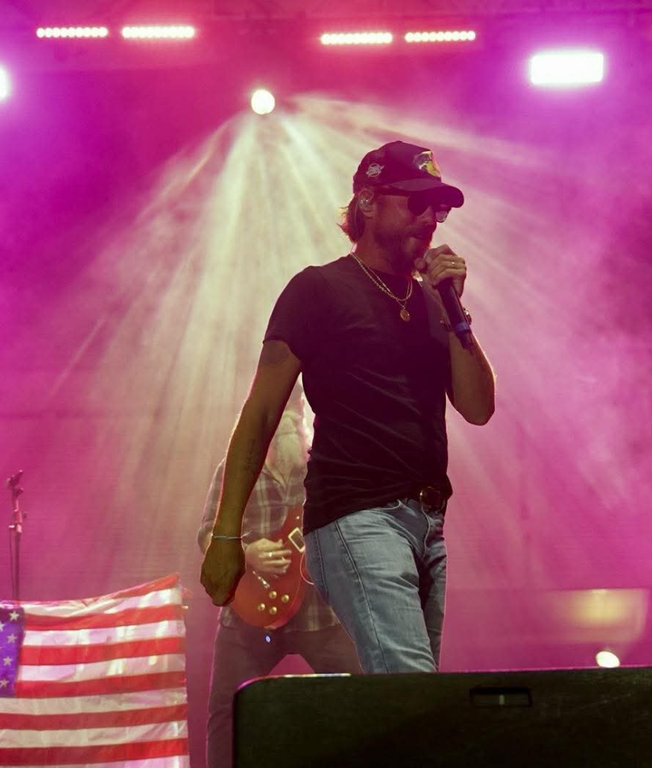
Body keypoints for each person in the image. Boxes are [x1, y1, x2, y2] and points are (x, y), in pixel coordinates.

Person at [200, 139, 494, 674]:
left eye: (439, 207)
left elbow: (478, 408)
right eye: (417, 202)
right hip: (356, 516)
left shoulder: (433, 302)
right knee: (410, 682)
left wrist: (457, 312)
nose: (431, 218)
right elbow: (260, 414)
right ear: (367, 202)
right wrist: (225, 536)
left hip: (428, 523)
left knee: (411, 695)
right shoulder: (317, 290)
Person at [197, 389, 361, 768]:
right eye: (278, 419)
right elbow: (206, 535)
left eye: (293, 417)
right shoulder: (232, 469)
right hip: (248, 614)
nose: (287, 426)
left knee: (365, 695)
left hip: (319, 613)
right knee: (226, 710)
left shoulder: (323, 468)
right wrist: (248, 552)